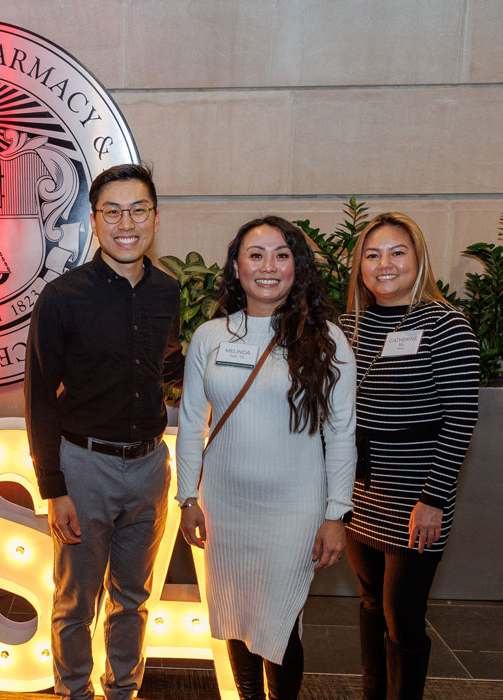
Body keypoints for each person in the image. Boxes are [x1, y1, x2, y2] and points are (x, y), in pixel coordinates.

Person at [175, 216, 356, 700]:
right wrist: (186, 496)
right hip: (225, 505)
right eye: (256, 255)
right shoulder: (211, 337)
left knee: (280, 619)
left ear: (297, 266)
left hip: (295, 508)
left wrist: (336, 513)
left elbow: (342, 433)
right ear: (236, 267)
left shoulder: (328, 341)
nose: (269, 266)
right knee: (234, 612)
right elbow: (193, 421)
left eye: (282, 254)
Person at [24, 163, 183, 700]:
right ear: (94, 221)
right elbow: (41, 397)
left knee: (133, 599)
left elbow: (166, 368)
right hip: (83, 467)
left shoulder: (167, 292)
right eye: (112, 211)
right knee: (75, 603)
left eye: (138, 209)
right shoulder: (63, 297)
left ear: (155, 219)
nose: (126, 222)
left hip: (149, 468)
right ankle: (74, 693)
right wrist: (54, 487)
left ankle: (123, 691)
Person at [339, 212, 479, 700]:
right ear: (360, 266)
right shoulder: (348, 326)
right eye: (372, 255)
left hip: (417, 499)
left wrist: (434, 500)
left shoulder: (446, 325)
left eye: (397, 252)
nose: (384, 264)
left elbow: (462, 418)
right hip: (361, 493)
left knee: (403, 619)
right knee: (371, 604)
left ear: (418, 260)